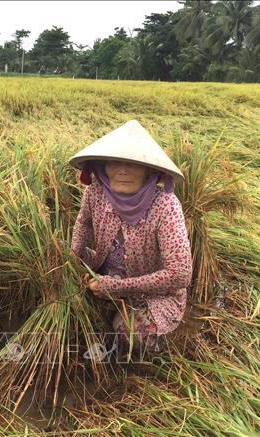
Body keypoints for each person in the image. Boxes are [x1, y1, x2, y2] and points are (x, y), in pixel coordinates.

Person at [69, 120, 193, 351]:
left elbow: (180, 275)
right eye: (115, 162)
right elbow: (83, 224)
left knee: (131, 334)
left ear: (149, 171)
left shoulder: (165, 205)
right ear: (103, 167)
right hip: (105, 271)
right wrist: (73, 257)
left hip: (153, 292)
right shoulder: (95, 191)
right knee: (56, 255)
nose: (122, 170)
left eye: (132, 164)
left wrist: (119, 287)